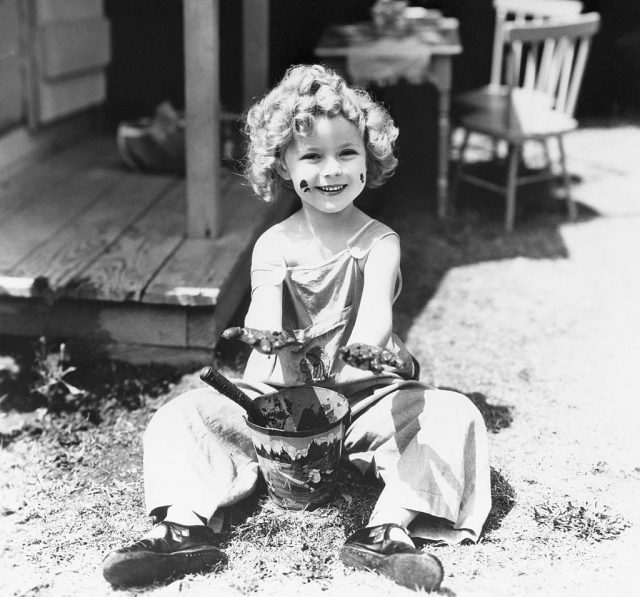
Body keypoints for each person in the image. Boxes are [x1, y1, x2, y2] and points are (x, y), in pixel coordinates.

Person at [102, 64, 491, 592]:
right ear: (283, 166)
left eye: (346, 153)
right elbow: (263, 313)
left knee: (454, 414)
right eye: (311, 156)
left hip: (363, 401)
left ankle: (388, 530)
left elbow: (376, 314)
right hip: (282, 404)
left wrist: (363, 353)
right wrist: (264, 354)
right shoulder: (274, 245)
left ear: (368, 158)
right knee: (181, 416)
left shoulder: (379, 242)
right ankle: (182, 529)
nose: (331, 170)